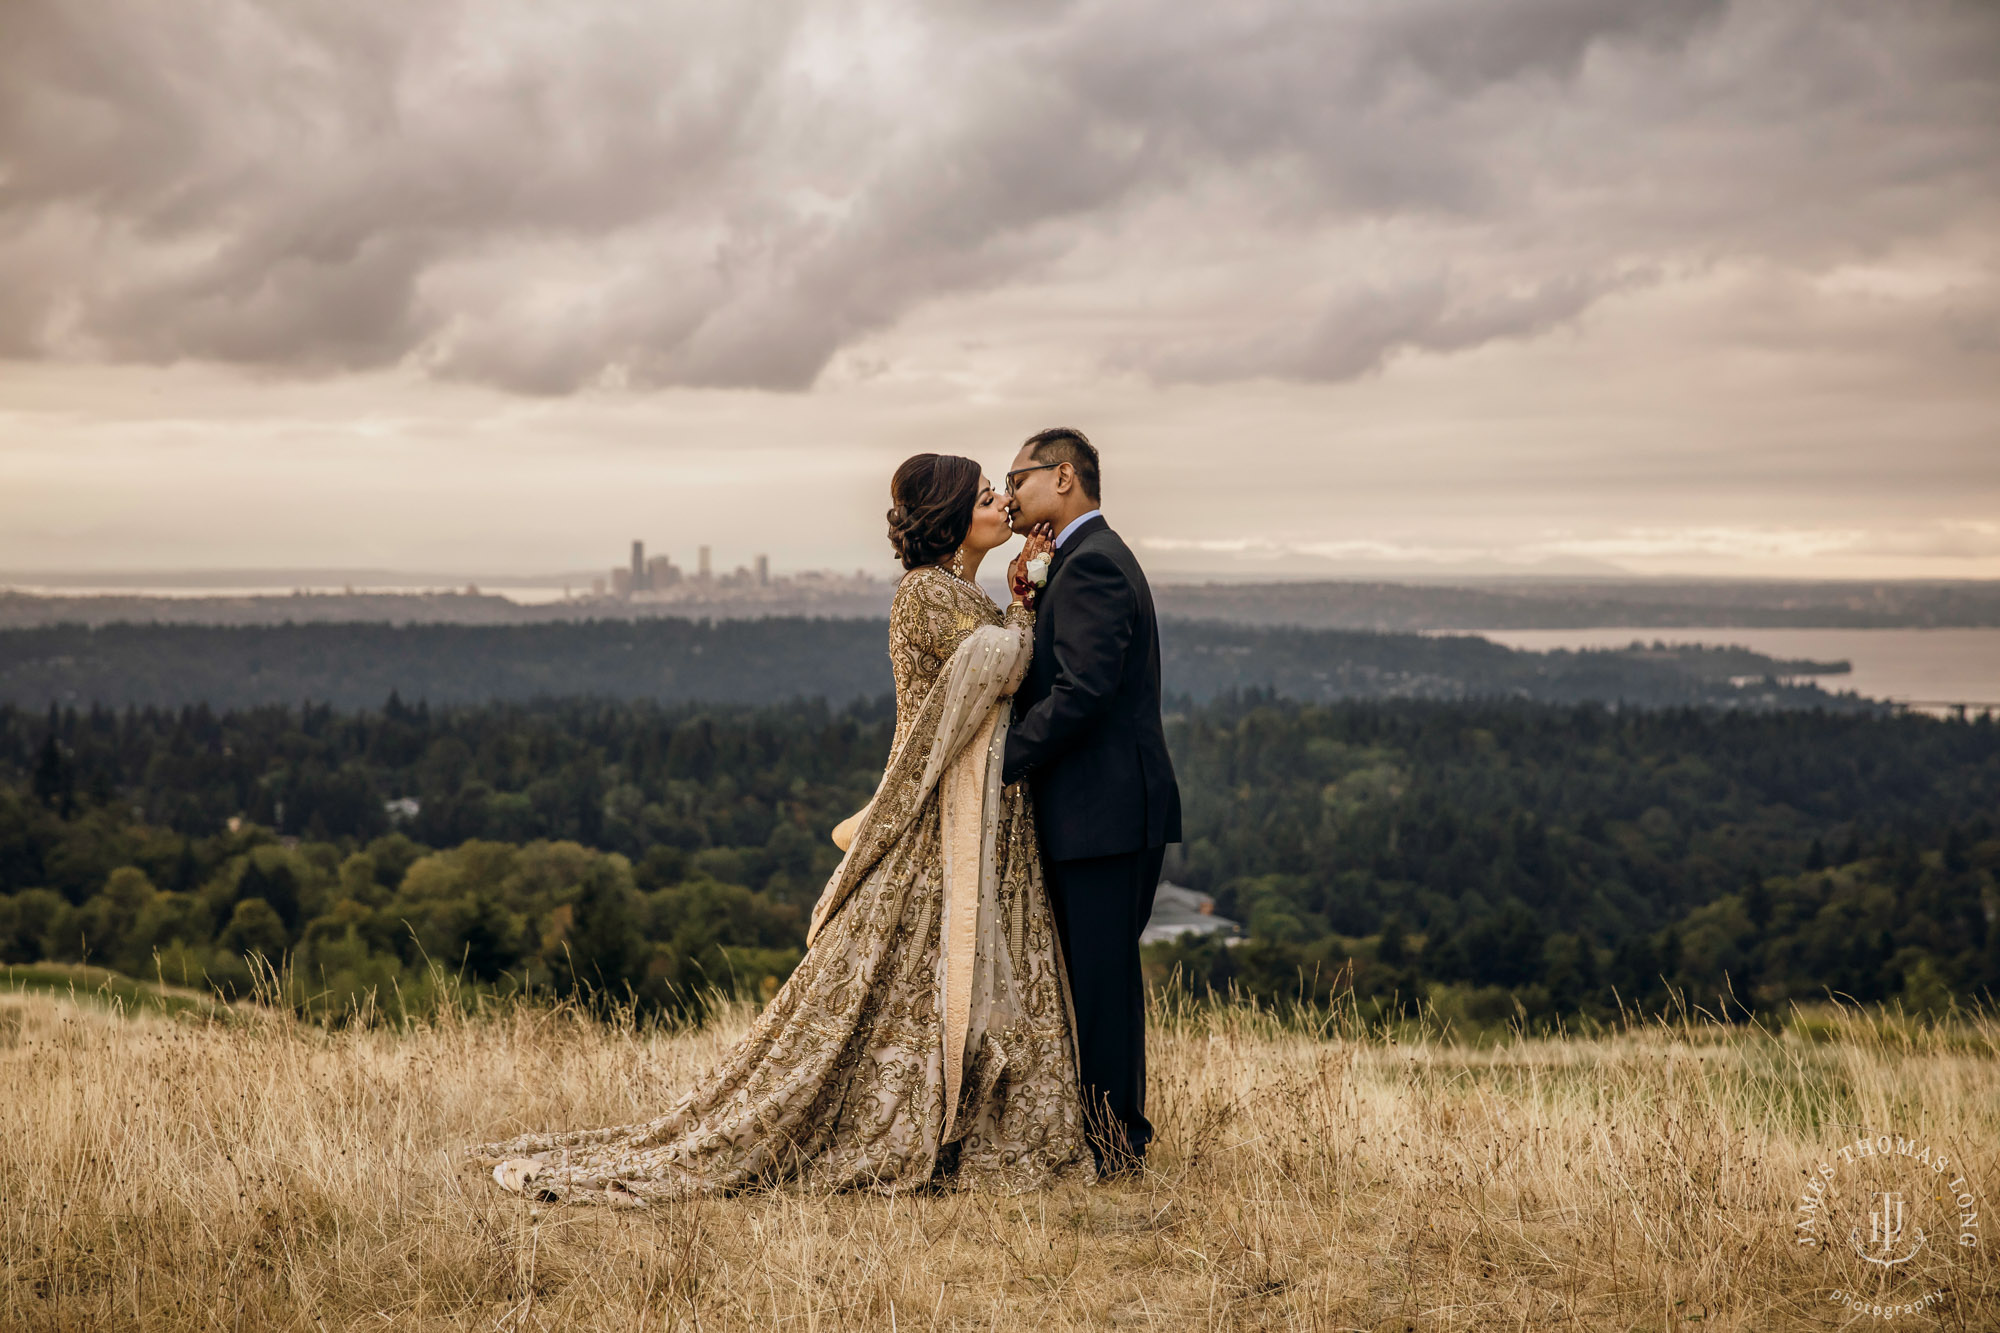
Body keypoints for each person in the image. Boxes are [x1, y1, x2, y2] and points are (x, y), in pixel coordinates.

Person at [468, 455, 1091, 1204]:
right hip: (933, 820)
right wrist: (1028, 601)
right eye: (986, 495)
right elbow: (1003, 666)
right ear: (954, 517)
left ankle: (962, 1113)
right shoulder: (926, 592)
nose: (1001, 503)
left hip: (976, 809)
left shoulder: (960, 589)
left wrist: (1016, 593)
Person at [1000, 426, 1182, 1176]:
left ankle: (1117, 1150)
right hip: (1097, 811)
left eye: (1018, 478)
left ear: (1064, 476)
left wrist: (997, 760)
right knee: (1091, 982)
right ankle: (1102, 1141)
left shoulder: (1095, 566)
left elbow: (1083, 692)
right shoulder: (1078, 560)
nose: (1009, 493)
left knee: (1103, 989)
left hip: (1103, 815)